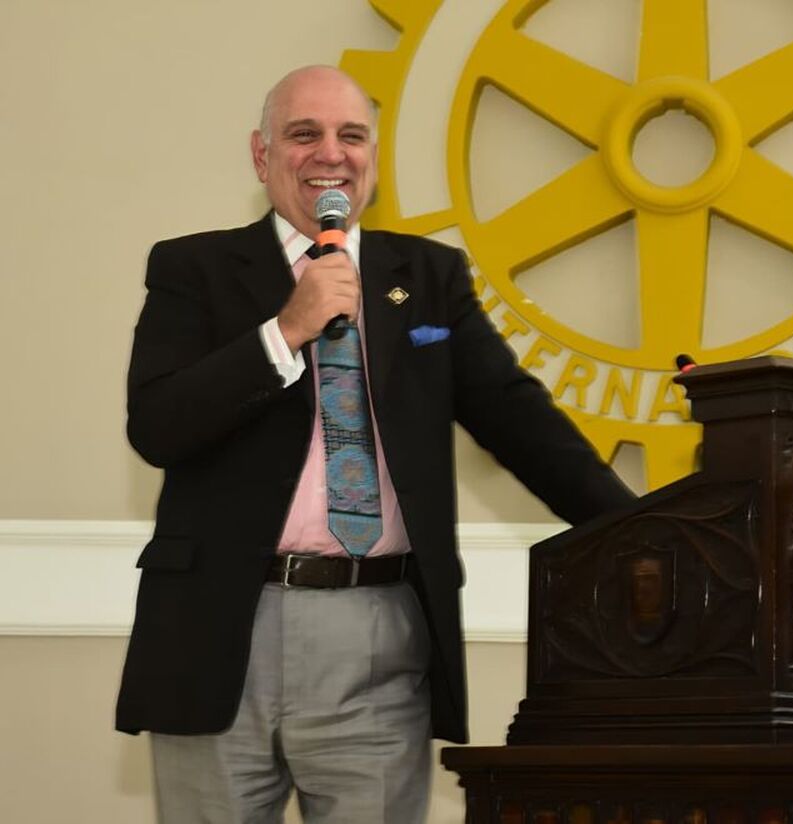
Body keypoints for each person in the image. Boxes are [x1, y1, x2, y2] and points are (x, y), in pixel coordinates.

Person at [115, 65, 634, 824]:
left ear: (374, 161)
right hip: (219, 632)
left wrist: (643, 532)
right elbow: (156, 425)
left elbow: (522, 423)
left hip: (379, 637)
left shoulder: (427, 277)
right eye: (304, 134)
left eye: (351, 136)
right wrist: (285, 329)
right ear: (263, 158)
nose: (331, 153)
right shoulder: (192, 268)